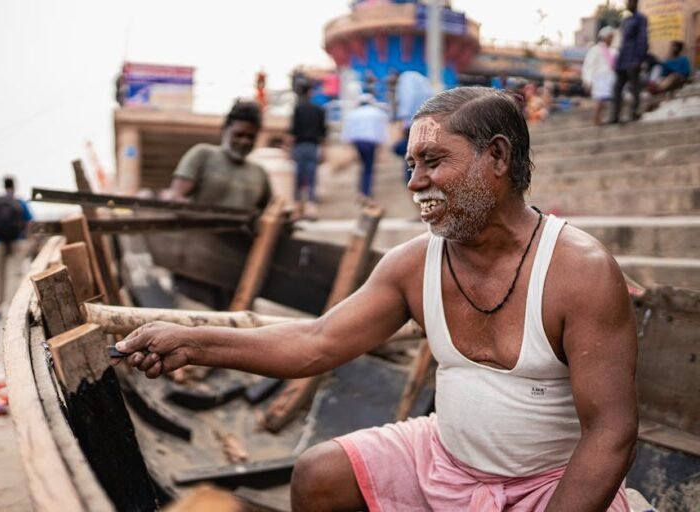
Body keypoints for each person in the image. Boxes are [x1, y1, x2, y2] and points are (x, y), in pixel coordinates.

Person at [115, 87, 638, 511]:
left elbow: (611, 431)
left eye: (433, 161)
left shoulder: (580, 272)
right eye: (410, 164)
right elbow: (315, 343)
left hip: (548, 484)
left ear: (497, 156)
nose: (415, 182)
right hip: (444, 459)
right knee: (319, 475)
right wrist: (192, 342)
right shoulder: (413, 264)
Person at [167, 101, 271, 211]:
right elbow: (175, 198)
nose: (244, 141)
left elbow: (270, 212)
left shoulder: (260, 173)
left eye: (251, 137)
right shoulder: (202, 155)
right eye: (239, 135)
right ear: (225, 129)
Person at [0, 176, 33, 320]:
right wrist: (27, 238)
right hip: (17, 242)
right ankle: (12, 307)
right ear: (14, 186)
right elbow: (29, 222)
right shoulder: (20, 202)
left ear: (3, 186)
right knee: (14, 274)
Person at [341, 93, 389, 200]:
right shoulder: (378, 113)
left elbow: (347, 131)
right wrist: (382, 148)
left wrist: (348, 146)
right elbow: (382, 132)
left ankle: (362, 191)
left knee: (363, 166)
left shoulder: (353, 114)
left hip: (358, 142)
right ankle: (366, 192)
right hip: (370, 142)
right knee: (368, 167)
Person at [289, 82, 326, 218]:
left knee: (298, 177)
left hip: (299, 146)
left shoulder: (298, 109)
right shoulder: (318, 109)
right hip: (312, 146)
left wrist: (290, 150)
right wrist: (323, 150)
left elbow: (293, 131)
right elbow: (323, 132)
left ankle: (297, 208)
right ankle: (311, 208)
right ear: (310, 92)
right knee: (312, 178)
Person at [608, 0, 648, 124]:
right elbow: (620, 42)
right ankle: (614, 116)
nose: (628, 4)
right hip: (623, 59)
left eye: (630, 2)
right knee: (617, 88)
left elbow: (643, 39)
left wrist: (638, 59)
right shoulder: (625, 21)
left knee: (635, 87)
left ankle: (634, 113)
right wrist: (617, 61)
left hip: (633, 59)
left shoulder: (640, 19)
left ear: (635, 3)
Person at [582, 26, 617, 125]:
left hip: (609, 78)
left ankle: (603, 118)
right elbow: (588, 66)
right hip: (599, 79)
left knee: (606, 100)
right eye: (610, 37)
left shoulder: (613, 51)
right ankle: (596, 119)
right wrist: (588, 81)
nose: (611, 39)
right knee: (600, 100)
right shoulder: (595, 50)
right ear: (604, 37)